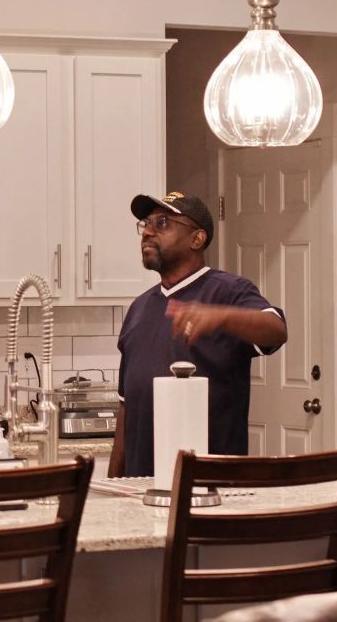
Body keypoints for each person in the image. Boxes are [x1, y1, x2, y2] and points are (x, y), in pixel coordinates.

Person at [109, 191, 287, 478]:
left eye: (163, 222)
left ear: (197, 239)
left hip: (212, 487)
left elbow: (276, 331)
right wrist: (115, 484)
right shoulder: (139, 308)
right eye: (146, 223)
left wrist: (219, 315)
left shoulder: (229, 291)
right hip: (141, 486)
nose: (148, 232)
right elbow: (126, 407)